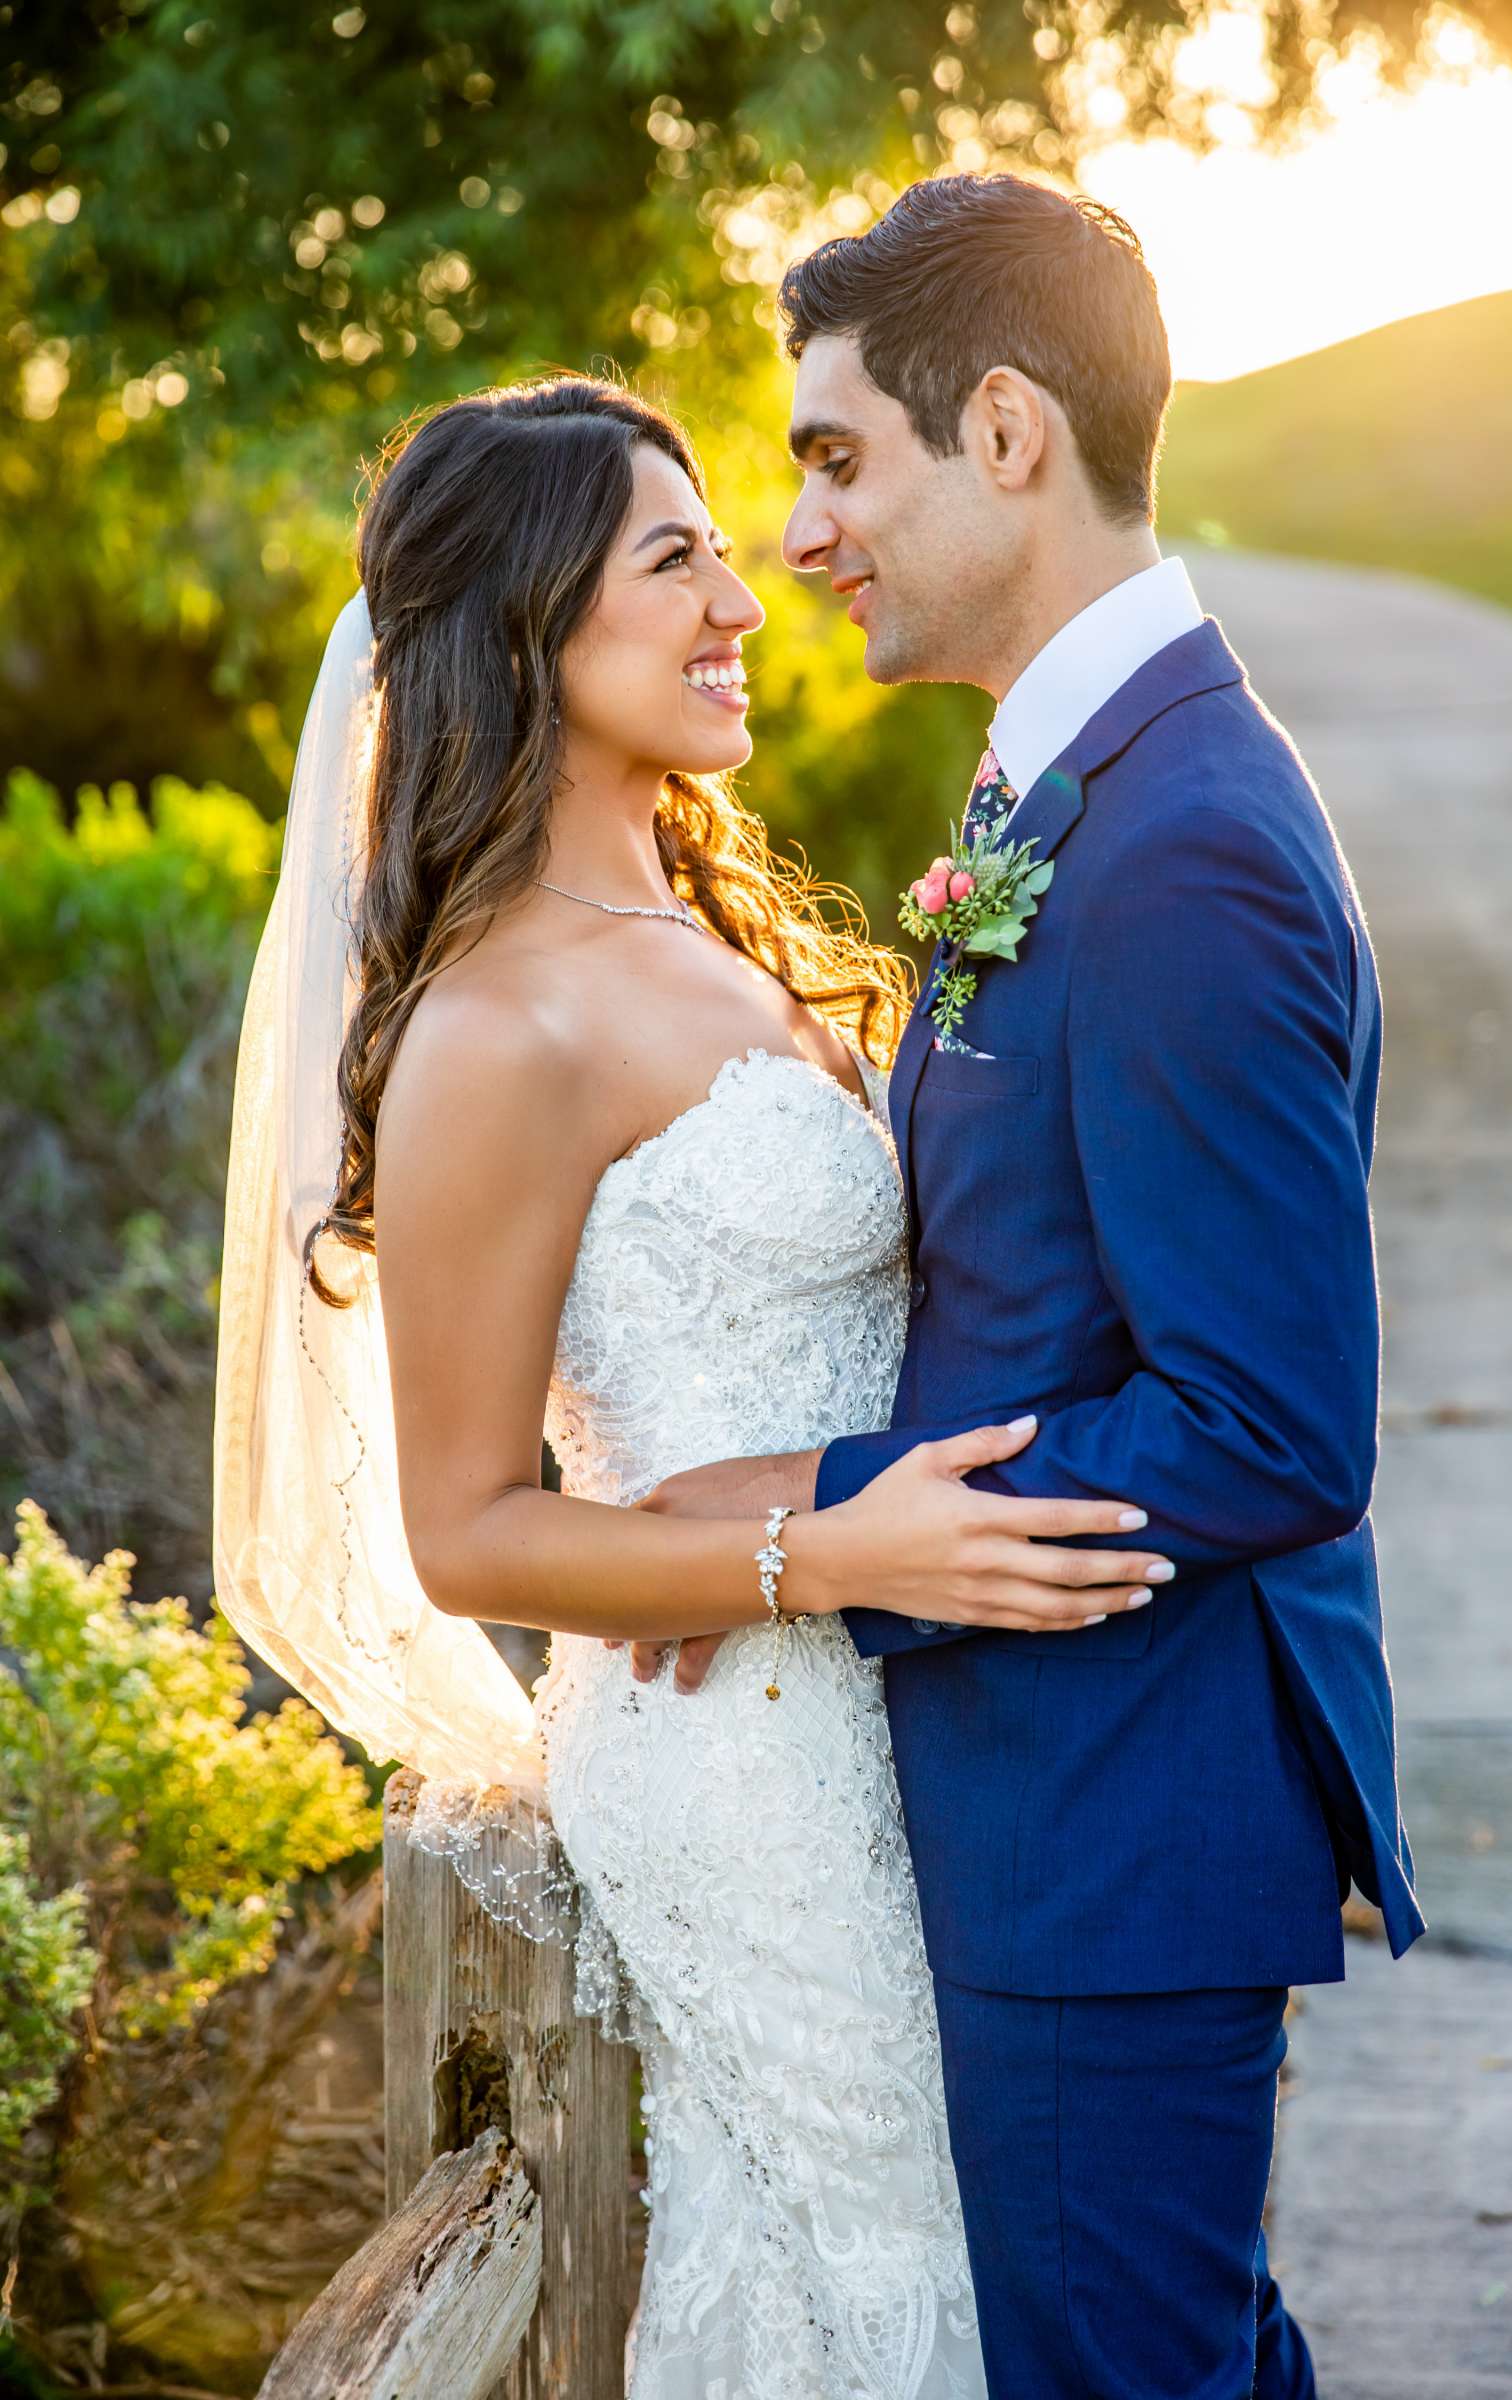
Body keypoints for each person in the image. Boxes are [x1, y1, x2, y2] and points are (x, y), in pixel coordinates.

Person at [214, 370, 1177, 2398]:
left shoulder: (707, 928)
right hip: (737, 1756)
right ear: (524, 631)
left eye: (727, 549)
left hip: (876, 1694)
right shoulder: (498, 1022)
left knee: (889, 2261)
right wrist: (807, 1551)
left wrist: (758, 1509)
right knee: (904, 2256)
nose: (743, 600)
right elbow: (466, 1528)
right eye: (676, 561)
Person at [632, 174, 1426, 2398]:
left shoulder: (1176, 843)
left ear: (998, 432)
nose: (798, 534)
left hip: (1113, 1830)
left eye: (829, 455)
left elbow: (1267, 1420)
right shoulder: (1076, 775)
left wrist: (820, 1534)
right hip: (1062, 1813)